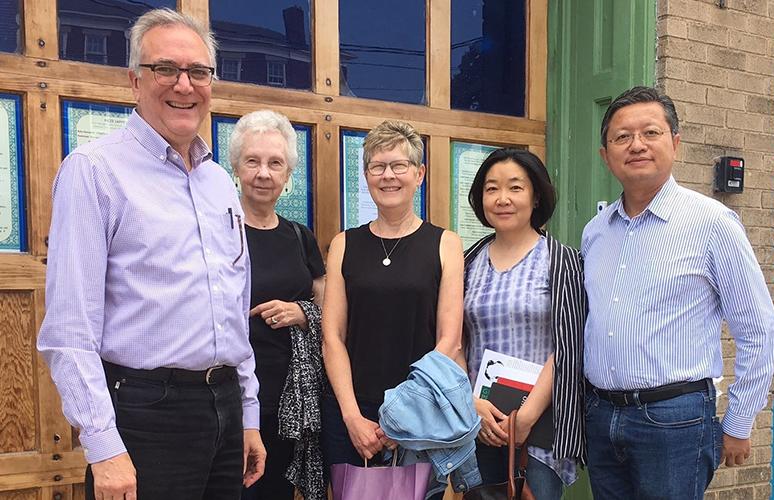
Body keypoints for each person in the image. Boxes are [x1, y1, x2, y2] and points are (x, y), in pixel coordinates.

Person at [37, 8, 265, 500]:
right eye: (166, 69)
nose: (184, 84)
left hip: (223, 407)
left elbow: (233, 306)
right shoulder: (95, 171)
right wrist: (103, 447)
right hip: (144, 414)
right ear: (135, 80)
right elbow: (69, 331)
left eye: (198, 72)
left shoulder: (221, 183)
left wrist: (248, 414)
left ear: (211, 82)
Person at [582, 86, 774, 499]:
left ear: (674, 142)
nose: (636, 145)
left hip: (674, 421)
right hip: (601, 416)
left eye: (650, 133)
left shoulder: (712, 223)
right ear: (605, 154)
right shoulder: (595, 232)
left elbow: (760, 330)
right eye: (622, 137)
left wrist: (739, 423)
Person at [320, 120, 467, 494]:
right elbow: (332, 337)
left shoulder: (445, 244)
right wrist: (353, 418)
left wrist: (401, 419)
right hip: (352, 413)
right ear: (366, 175)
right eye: (377, 166)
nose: (388, 176)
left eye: (399, 166)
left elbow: (449, 341)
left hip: (422, 413)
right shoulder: (344, 244)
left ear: (419, 174)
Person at [463, 148, 587, 499]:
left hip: (539, 425)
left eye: (515, 188)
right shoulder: (468, 261)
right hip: (480, 421)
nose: (502, 198)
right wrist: (474, 406)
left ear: (535, 197)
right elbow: (455, 341)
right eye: (491, 188)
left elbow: (568, 344)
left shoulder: (561, 261)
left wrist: (526, 416)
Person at [229, 110, 326, 500]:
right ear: (236, 167)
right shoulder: (217, 233)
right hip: (227, 400)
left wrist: (303, 313)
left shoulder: (300, 238)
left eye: (275, 163)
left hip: (289, 404)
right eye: (253, 161)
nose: (263, 173)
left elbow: (328, 312)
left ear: (288, 175)